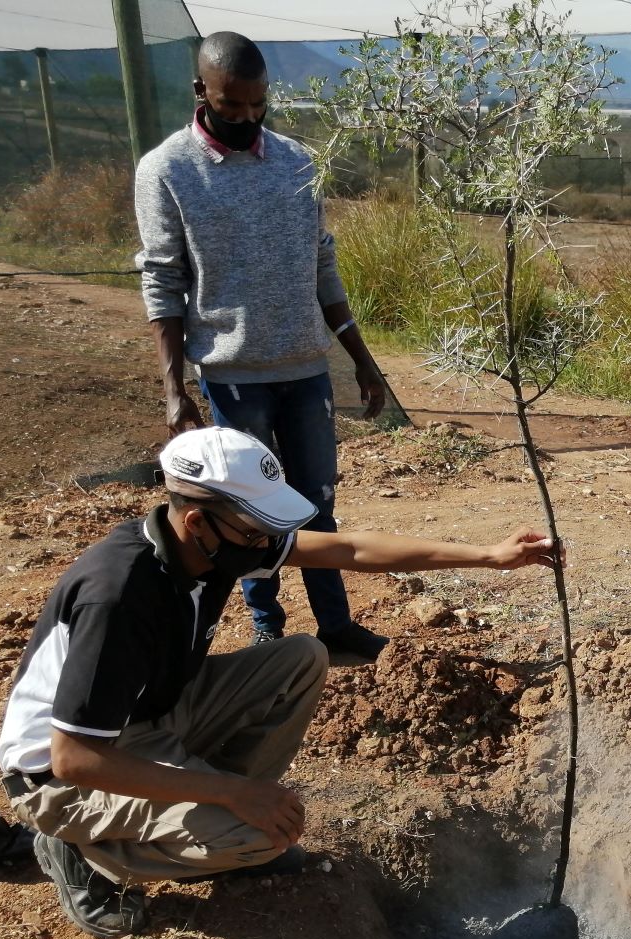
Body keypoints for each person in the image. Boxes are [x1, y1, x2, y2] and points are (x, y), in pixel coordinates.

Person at [0, 427, 557, 939]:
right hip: (62, 774)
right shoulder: (119, 597)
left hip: (150, 717)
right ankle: (83, 851)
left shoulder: (216, 544)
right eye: (258, 531)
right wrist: (232, 793)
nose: (270, 545)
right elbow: (73, 758)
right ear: (197, 520)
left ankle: (215, 814)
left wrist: (489, 556)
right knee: (258, 837)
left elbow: (349, 549)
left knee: (302, 657)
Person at [135, 31, 391, 661]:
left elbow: (321, 263)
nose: (247, 119)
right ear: (203, 92)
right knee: (243, 515)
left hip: (305, 369)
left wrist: (361, 357)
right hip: (233, 375)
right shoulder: (166, 170)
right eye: (232, 107)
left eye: (258, 106)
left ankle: (335, 627)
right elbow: (162, 277)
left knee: (317, 503)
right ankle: (265, 625)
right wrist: (175, 390)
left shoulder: (297, 161)